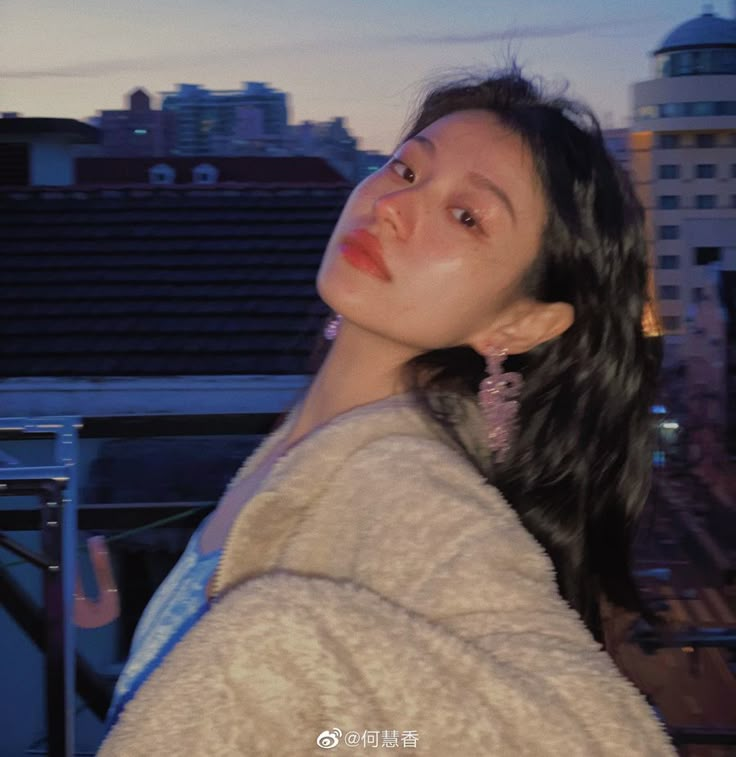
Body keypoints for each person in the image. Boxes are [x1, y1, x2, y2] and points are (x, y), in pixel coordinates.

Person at [98, 70, 676, 756]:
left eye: (467, 216)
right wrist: (144, 640)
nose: (393, 206)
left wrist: (267, 649)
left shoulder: (416, 493)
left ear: (520, 324)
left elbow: (596, 742)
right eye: (405, 168)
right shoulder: (312, 441)